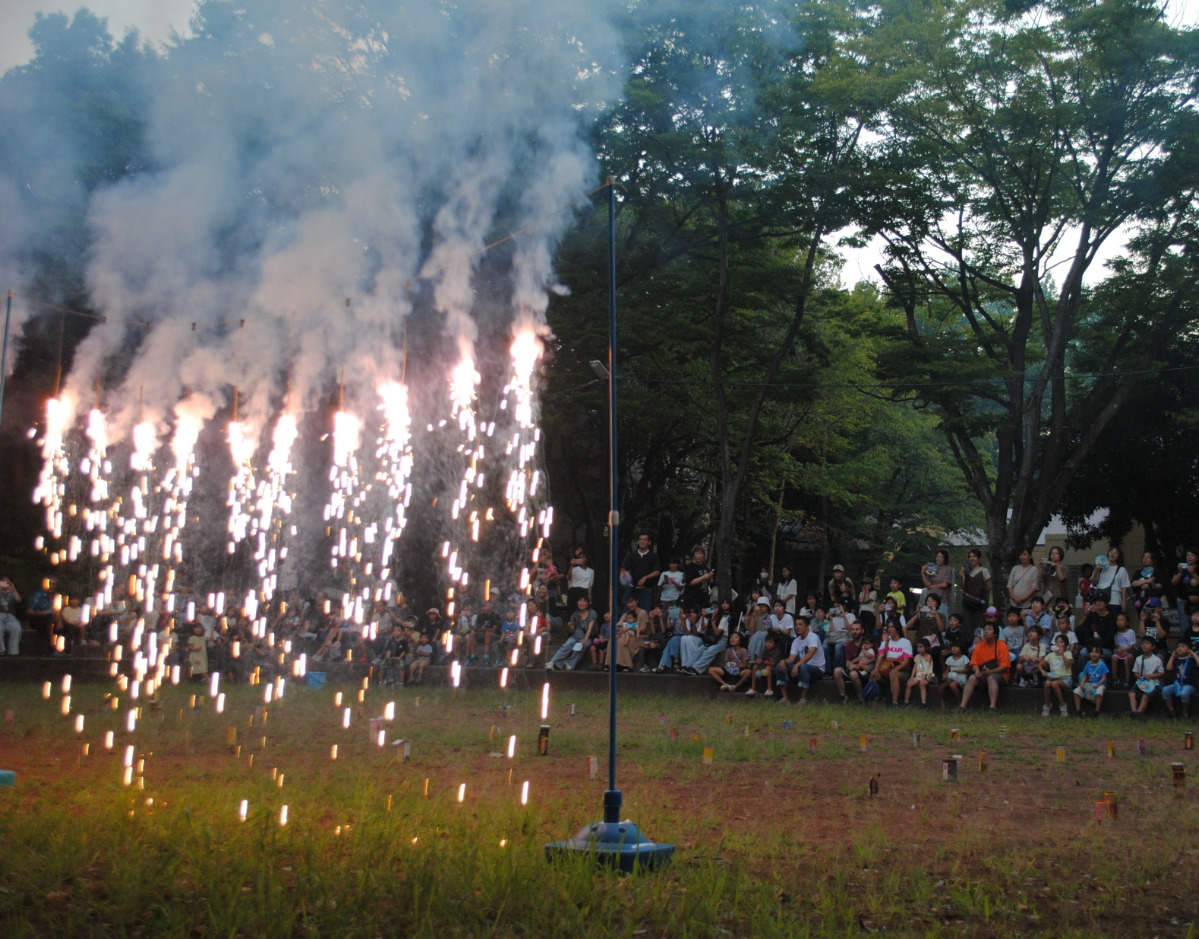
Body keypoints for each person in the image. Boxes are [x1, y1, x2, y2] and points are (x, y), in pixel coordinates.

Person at [959, 621, 1011, 712]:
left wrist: (990, 672)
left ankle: (992, 707)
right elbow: (974, 663)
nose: (986, 631)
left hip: (999, 674)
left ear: (995, 634)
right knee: (972, 678)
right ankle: (962, 706)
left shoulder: (1002, 646)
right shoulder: (979, 646)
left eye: (989, 629)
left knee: (991, 678)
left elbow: (1005, 667)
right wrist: (976, 671)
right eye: (985, 630)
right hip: (983, 673)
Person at [778, 616, 825, 705]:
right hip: (803, 667)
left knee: (804, 666)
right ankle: (785, 698)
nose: (797, 627)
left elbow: (810, 654)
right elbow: (791, 659)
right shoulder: (796, 640)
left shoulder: (813, 637)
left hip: (817, 668)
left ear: (807, 626)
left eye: (800, 624)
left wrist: (797, 665)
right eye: (796, 625)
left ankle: (803, 699)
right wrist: (783, 661)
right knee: (779, 666)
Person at [549, 597, 596, 670]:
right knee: (566, 646)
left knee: (579, 647)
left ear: (587, 603)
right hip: (575, 636)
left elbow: (590, 628)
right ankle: (552, 662)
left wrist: (585, 639)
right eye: (580, 601)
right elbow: (571, 630)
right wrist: (569, 625)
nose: (582, 603)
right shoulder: (576, 614)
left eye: (584, 601)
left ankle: (570, 664)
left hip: (585, 637)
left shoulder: (592, 613)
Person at [873, 621, 913, 705]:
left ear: (897, 629)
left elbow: (906, 661)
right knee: (874, 674)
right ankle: (875, 698)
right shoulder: (885, 643)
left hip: (901, 670)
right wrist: (876, 669)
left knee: (893, 674)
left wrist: (896, 669)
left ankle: (894, 702)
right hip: (885, 669)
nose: (889, 629)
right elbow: (880, 657)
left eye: (892, 627)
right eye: (888, 627)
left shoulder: (905, 642)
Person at [620, 533, 661, 612]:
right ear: (638, 542)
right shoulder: (632, 555)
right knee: (627, 610)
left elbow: (657, 571)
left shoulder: (653, 556)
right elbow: (623, 569)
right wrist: (625, 576)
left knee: (644, 613)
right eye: (640, 539)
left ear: (649, 542)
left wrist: (645, 577)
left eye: (645, 540)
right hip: (632, 588)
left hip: (646, 589)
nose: (642, 542)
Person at [833, 622, 872, 703]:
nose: (854, 631)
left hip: (867, 669)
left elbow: (875, 657)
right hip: (854, 668)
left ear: (862, 631)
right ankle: (843, 697)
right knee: (837, 671)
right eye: (853, 629)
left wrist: (860, 664)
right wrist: (851, 665)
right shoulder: (849, 645)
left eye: (857, 629)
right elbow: (848, 662)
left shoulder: (868, 642)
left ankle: (861, 698)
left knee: (853, 674)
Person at [1128, 636, 1164, 717]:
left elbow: (1161, 673)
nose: (1144, 645)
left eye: (1147, 644)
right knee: (1131, 693)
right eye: (1143, 644)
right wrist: (1140, 677)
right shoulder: (1138, 659)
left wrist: (1152, 676)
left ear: (1153, 647)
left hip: (1153, 683)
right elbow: (1135, 673)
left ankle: (1139, 712)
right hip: (1141, 682)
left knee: (1145, 696)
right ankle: (1134, 710)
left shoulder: (1157, 660)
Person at [1039, 633, 1074, 716]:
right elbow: (1040, 664)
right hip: (1053, 677)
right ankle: (1047, 705)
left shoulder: (1068, 653)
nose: (1058, 644)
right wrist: (1042, 671)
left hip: (1065, 678)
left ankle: (1063, 706)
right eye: (1057, 642)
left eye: (1061, 642)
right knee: (1047, 683)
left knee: (1054, 684)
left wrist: (1062, 654)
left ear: (1065, 644)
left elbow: (1068, 665)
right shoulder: (1051, 655)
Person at [1162, 641, 1198, 718]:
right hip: (1177, 684)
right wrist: (1172, 656)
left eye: (1182, 646)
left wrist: (1193, 654)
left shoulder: (1191, 660)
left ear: (1189, 649)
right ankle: (1172, 711)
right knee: (1165, 690)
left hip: (1189, 684)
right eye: (1178, 647)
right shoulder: (1176, 659)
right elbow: (1168, 668)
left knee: (1184, 693)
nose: (1179, 648)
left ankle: (1185, 712)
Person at [1090, 547, 1130, 613]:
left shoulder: (1121, 570)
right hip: (1100, 599)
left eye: (1115, 553)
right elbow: (1093, 583)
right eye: (1111, 552)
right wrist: (1096, 571)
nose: (1112, 554)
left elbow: (1124, 588)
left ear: (1118, 557)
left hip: (1114, 601)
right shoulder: (1101, 568)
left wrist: (1124, 603)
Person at [1073, 645, 1109, 717]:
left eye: (1096, 652)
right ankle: (1078, 710)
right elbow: (1085, 676)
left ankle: (1097, 711)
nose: (1094, 654)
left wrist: (1097, 685)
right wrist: (1082, 684)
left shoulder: (1102, 665)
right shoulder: (1087, 664)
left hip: (1099, 684)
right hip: (1089, 684)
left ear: (1100, 655)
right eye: (1092, 652)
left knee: (1099, 692)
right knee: (1076, 691)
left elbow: (1104, 678)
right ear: (1089, 654)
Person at [746, 632, 784, 697]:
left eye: (770, 642)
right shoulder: (764, 650)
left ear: (775, 644)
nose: (768, 644)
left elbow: (773, 664)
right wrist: (758, 661)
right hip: (764, 668)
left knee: (768, 668)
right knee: (755, 666)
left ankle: (769, 689)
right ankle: (753, 688)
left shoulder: (777, 652)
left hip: (775, 669)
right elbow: (759, 659)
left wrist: (763, 661)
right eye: (766, 642)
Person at [26, 577, 56, 655]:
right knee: (49, 622)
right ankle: (51, 649)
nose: (51, 585)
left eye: (53, 584)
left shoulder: (56, 596)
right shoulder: (37, 595)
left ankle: (65, 649)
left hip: (52, 619)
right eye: (50, 583)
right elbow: (29, 611)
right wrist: (41, 613)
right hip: (37, 618)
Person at [1172, 549, 1199, 636]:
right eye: (1188, 555)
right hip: (1183, 598)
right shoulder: (1182, 567)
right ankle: (1185, 642)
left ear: (1196, 557)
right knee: (1184, 622)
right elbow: (1173, 582)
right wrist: (1180, 572)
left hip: (1196, 599)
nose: (1189, 557)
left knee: (1196, 620)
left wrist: (1193, 573)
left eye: (1192, 555)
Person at [904, 638, 936, 708]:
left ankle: (923, 703)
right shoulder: (917, 656)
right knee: (909, 683)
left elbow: (927, 668)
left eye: (921, 647)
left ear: (927, 648)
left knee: (922, 684)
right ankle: (906, 702)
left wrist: (923, 678)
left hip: (927, 675)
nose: (919, 649)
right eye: (918, 647)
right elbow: (915, 667)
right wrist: (912, 677)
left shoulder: (928, 656)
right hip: (918, 675)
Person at [939, 641, 971, 708]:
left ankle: (959, 703)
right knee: (941, 687)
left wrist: (958, 671)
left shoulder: (964, 658)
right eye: (952, 647)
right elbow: (947, 669)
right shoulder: (949, 658)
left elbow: (968, 670)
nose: (953, 649)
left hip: (961, 677)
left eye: (956, 647)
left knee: (953, 685)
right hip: (951, 676)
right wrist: (944, 676)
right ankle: (943, 703)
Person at [1111, 614, 1138, 689]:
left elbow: (1131, 645)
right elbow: (1117, 645)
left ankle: (1127, 678)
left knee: (1126, 660)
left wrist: (1123, 650)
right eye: (1118, 620)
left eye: (1122, 620)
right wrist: (1116, 650)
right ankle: (1114, 677)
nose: (1119, 622)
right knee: (1113, 657)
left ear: (1127, 623)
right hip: (1120, 652)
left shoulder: (1130, 632)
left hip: (1128, 651)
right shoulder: (1116, 633)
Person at [657, 559, 686, 626]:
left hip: (675, 598)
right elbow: (658, 588)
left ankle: (672, 631)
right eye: (671, 563)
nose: (672, 565)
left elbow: (681, 588)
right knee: (664, 617)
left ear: (678, 564)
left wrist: (673, 581)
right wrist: (663, 583)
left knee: (673, 617)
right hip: (664, 599)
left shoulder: (681, 574)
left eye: (674, 563)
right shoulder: (664, 573)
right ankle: (665, 632)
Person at [0, 577, 21, 656]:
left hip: (10, 616)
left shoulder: (12, 592)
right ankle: (1, 650)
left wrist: (13, 589)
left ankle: (13, 651)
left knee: (17, 628)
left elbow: (19, 600)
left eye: (7, 582)